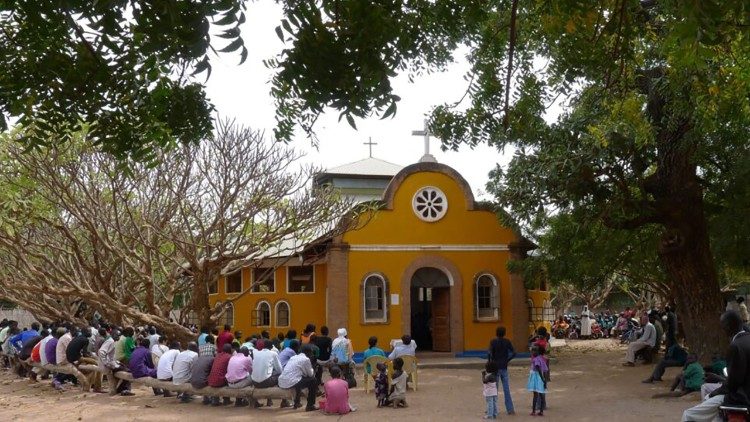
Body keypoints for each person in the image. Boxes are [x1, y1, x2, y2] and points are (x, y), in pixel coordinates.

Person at [682, 310, 750, 421]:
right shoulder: (746, 340)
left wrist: (714, 393)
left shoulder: (736, 346)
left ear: (728, 327)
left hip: (741, 397)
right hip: (744, 392)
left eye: (723, 326)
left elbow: (732, 384)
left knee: (688, 414)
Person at [278, 342, 318, 411]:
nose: (312, 355)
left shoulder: (293, 357)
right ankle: (310, 405)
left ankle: (297, 402)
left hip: (282, 381)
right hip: (290, 382)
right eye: (311, 353)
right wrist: (313, 368)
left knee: (299, 378)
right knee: (313, 380)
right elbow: (310, 374)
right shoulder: (306, 359)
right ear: (308, 353)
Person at [488, 326, 516, 415]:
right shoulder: (507, 341)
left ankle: (492, 409)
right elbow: (514, 353)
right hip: (504, 367)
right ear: (504, 333)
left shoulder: (493, 342)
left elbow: (490, 353)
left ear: (496, 333)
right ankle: (510, 409)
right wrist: (507, 360)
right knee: (506, 389)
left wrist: (490, 362)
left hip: (495, 368)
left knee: (493, 389)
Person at [66, 328, 103, 393]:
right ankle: (97, 387)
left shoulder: (77, 337)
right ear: (85, 332)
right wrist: (91, 357)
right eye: (89, 332)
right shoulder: (85, 340)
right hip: (77, 359)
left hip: (71, 359)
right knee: (98, 364)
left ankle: (93, 386)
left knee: (93, 366)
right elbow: (85, 354)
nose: (91, 333)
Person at [97, 328, 133, 396]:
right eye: (117, 335)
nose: (119, 337)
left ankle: (121, 389)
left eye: (119, 335)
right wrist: (106, 363)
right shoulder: (110, 341)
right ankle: (124, 390)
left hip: (111, 363)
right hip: (108, 365)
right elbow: (101, 352)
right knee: (128, 371)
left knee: (125, 368)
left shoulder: (112, 341)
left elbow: (110, 356)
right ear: (113, 335)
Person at [252, 339, 284, 407]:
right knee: (280, 375)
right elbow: (280, 370)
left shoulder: (256, 352)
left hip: (254, 382)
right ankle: (284, 401)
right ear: (272, 347)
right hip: (265, 382)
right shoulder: (273, 353)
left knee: (268, 373)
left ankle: (257, 401)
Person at [527, 344, 548, 417]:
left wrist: (542, 379)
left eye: (534, 350)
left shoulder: (535, 359)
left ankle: (533, 411)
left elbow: (538, 368)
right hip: (541, 378)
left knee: (535, 395)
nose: (532, 352)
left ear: (538, 351)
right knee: (542, 394)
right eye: (532, 350)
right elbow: (545, 370)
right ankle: (541, 411)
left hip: (536, 378)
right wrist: (545, 380)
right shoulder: (542, 358)